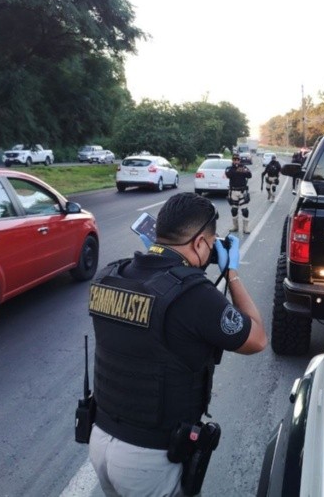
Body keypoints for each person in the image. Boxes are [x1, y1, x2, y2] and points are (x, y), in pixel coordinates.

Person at [88, 192, 267, 497]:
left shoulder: (110, 275)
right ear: (199, 243)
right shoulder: (194, 296)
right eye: (210, 245)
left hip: (101, 438)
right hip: (149, 460)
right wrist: (232, 274)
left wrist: (166, 262)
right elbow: (257, 339)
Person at [225, 154, 252, 233]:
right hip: (233, 191)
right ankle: (235, 226)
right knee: (234, 210)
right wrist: (235, 169)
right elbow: (228, 175)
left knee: (245, 210)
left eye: (238, 159)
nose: (236, 161)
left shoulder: (244, 167)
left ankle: (246, 228)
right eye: (234, 159)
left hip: (242, 192)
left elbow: (249, 175)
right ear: (232, 160)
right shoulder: (230, 168)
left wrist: (243, 171)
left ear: (240, 160)